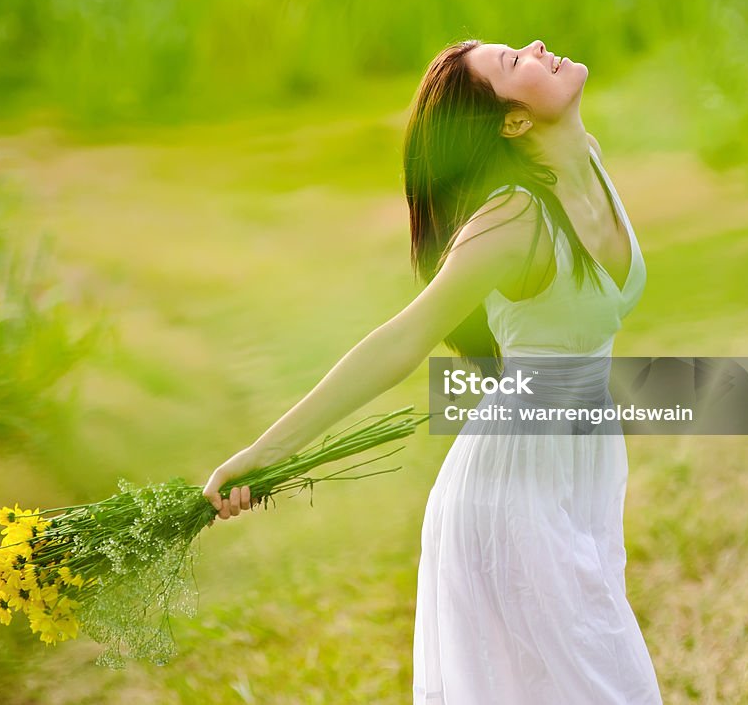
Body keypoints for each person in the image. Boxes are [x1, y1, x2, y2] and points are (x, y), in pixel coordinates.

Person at [203, 38, 663, 704]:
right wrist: (263, 451)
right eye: (514, 63)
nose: (536, 46)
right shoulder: (516, 218)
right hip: (512, 493)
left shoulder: (587, 162)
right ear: (512, 121)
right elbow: (401, 339)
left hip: (574, 469)